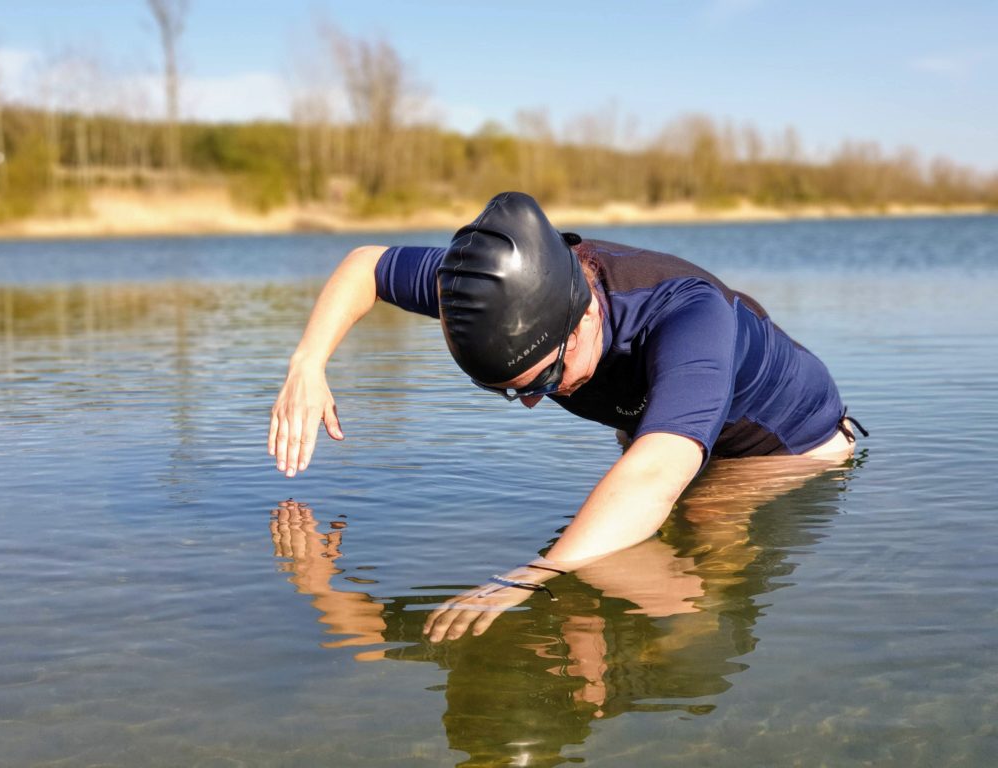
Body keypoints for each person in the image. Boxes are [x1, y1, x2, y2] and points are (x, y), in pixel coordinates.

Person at [268, 191, 867, 642]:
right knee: (604, 550)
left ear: (580, 319)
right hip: (664, 431)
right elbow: (368, 264)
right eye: (507, 392)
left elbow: (656, 473)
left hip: (788, 446)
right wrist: (307, 364)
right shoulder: (495, 288)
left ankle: (699, 627)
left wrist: (524, 577)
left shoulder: (687, 315)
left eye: (545, 381)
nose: (534, 402)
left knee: (696, 529)